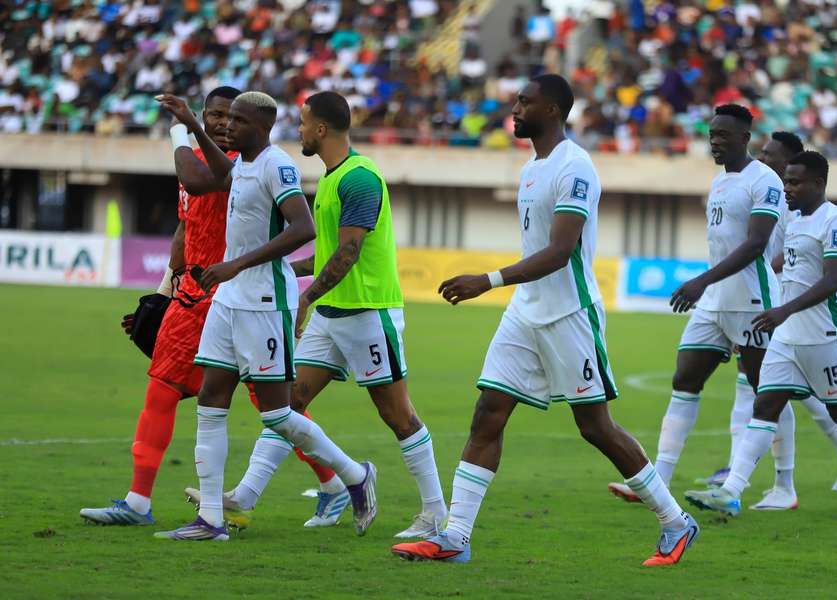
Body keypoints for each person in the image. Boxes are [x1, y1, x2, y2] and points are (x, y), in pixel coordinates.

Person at [391, 75, 698, 567]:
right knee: (488, 412)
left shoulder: (575, 167)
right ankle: (456, 537)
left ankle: (676, 521)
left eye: (524, 102)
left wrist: (488, 280)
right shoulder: (533, 166)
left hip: (569, 313)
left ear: (552, 110)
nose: (514, 109)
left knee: (595, 427)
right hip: (526, 312)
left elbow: (560, 251)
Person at [80, 87, 338, 527]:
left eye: (229, 116)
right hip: (191, 299)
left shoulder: (237, 163)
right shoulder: (203, 160)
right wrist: (163, 294)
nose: (222, 124)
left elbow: (195, 180)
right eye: (214, 115)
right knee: (161, 389)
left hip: (240, 297)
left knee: (277, 409)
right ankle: (138, 502)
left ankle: (335, 481)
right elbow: (186, 229)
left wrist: (180, 131)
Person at [213, 91, 447, 538]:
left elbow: (348, 252)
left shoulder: (359, 178)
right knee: (288, 404)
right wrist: (284, 270)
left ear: (321, 129)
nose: (298, 130)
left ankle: (435, 513)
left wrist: (305, 298)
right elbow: (326, 257)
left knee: (398, 416)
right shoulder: (330, 178)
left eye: (303, 123)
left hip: (368, 313)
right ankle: (245, 495)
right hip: (331, 314)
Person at [152, 91, 376, 541]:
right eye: (227, 119)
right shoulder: (243, 165)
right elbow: (220, 173)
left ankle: (354, 475)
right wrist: (191, 125)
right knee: (211, 400)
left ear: (261, 127)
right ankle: (211, 520)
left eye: (237, 120)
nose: (228, 126)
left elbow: (303, 228)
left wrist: (236, 264)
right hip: (229, 300)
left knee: (277, 416)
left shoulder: (278, 166)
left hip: (265, 303)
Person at [684, 151, 837, 523]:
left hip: (824, 335)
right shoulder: (795, 222)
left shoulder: (835, 221)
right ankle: (731, 491)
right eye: (786, 180)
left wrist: (784, 310)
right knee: (764, 407)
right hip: (787, 339)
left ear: (818, 184)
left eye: (795, 182)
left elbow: (832, 281)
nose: (787, 187)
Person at [628, 105, 786, 495]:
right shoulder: (719, 181)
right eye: (712, 134)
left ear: (745, 138)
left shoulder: (764, 180)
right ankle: (659, 482)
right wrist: (707, 285)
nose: (714, 141)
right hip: (715, 300)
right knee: (685, 379)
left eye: (723, 135)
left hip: (752, 300)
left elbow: (756, 244)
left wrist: (701, 281)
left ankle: (755, 485)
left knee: (765, 393)